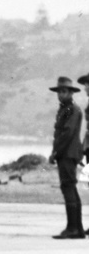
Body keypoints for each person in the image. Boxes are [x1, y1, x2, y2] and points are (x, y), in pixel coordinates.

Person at [47, 76, 84, 239]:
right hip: (67, 152)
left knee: (68, 187)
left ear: (70, 93)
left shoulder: (72, 109)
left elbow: (67, 134)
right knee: (70, 188)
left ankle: (73, 228)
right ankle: (77, 229)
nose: (60, 95)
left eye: (63, 92)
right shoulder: (66, 109)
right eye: (59, 92)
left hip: (68, 153)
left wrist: (56, 152)